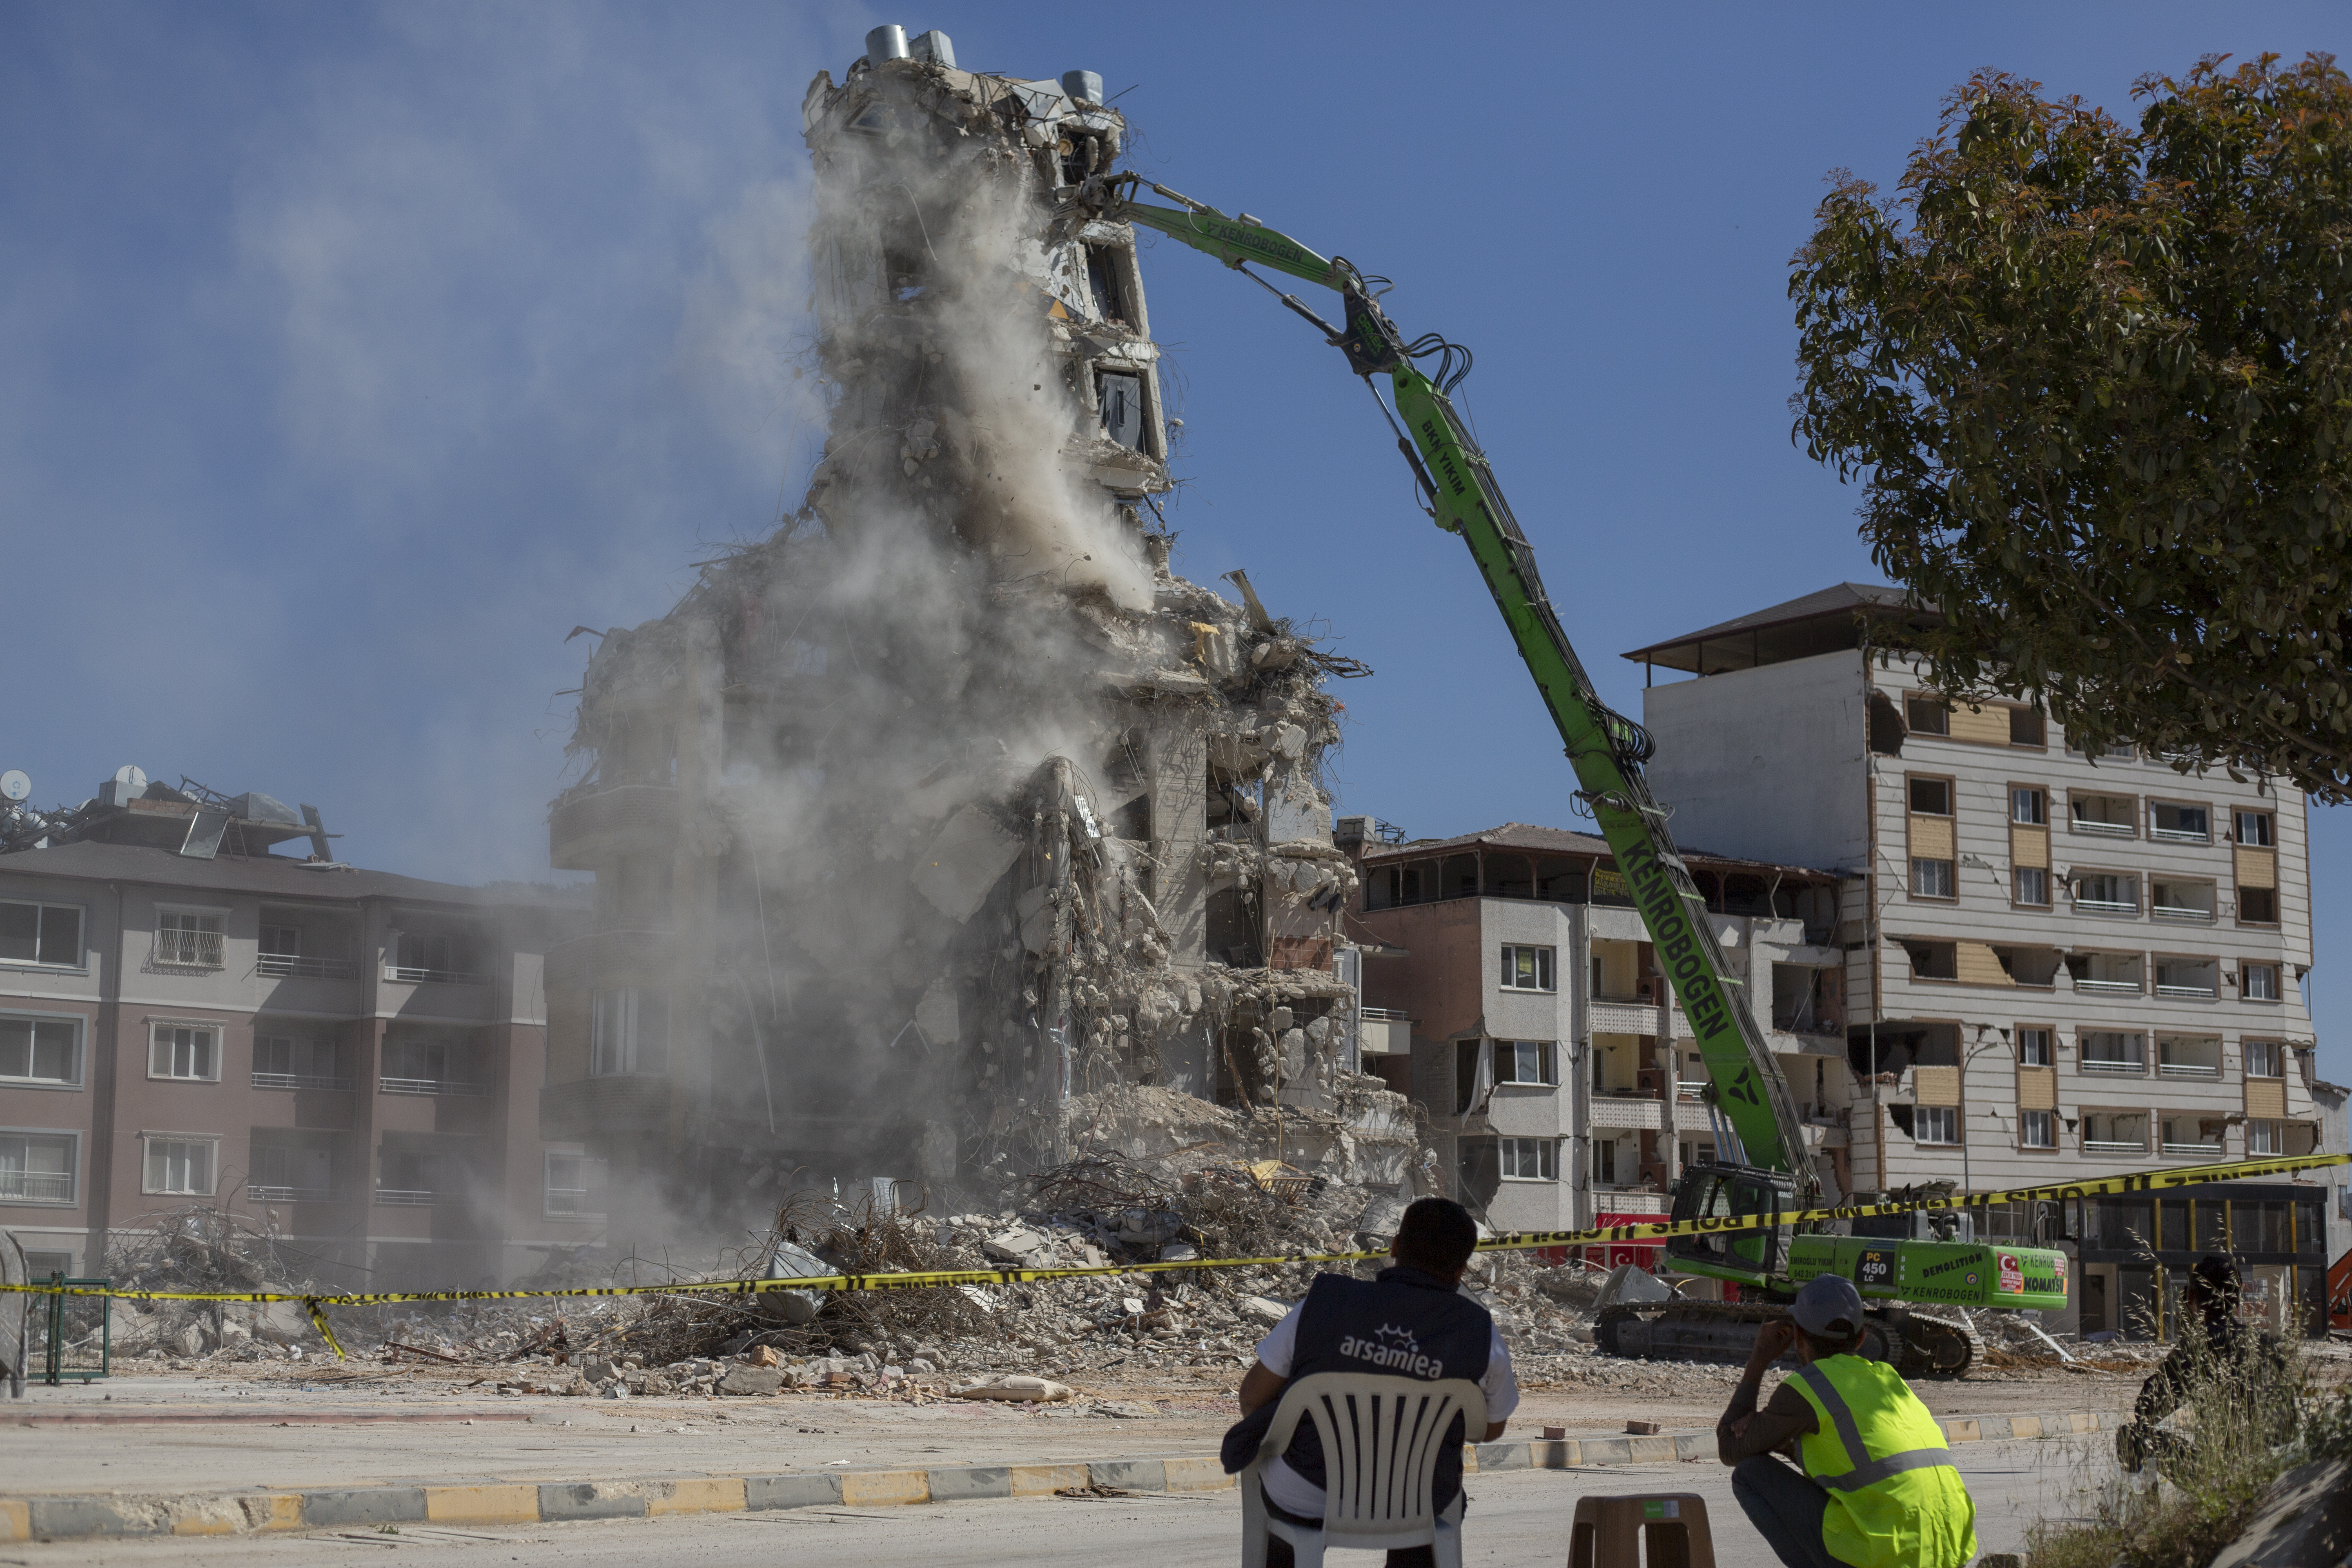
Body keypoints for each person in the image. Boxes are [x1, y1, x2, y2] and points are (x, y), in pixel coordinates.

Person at [1221, 1197, 1518, 1568]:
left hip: (1308, 1490)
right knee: (1432, 1507)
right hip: (1420, 1499)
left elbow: (1251, 1398)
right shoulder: (1480, 1332)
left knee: (1282, 1508)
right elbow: (1489, 1429)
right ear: (1461, 1269)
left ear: (1395, 1247)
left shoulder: (1325, 1303)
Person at [1716, 1275, 1978, 1568]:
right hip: (1949, 1550)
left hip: (1886, 1555)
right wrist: (1785, 1443)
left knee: (1751, 1472)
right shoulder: (1889, 1380)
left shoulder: (1808, 1388)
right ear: (1863, 1337)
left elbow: (1729, 1447)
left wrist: (1760, 1358)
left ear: (1798, 1337)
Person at [2117, 1253, 2292, 1474]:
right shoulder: (2266, 1343)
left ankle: (2150, 1508)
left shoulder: (2202, 1348)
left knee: (2133, 1437)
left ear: (2193, 1296)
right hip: (2285, 1465)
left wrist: (2188, 1335)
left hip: (2233, 1471)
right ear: (2237, 1298)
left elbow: (2147, 1409)